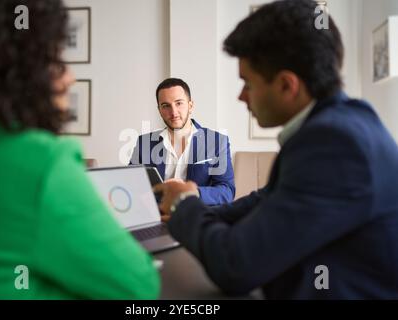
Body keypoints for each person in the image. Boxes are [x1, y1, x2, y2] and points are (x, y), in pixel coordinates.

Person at [154, 0, 398, 299]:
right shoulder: (347, 120)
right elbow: (268, 199)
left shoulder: (334, 144)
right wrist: (196, 205)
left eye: (247, 83)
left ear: (286, 85)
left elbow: (235, 265)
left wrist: (185, 205)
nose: (241, 96)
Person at [0, 0, 159, 299]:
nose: (69, 77)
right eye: (56, 60)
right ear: (20, 72)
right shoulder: (42, 163)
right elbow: (139, 286)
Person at [129, 78, 235, 205]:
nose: (173, 112)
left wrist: (190, 192)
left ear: (190, 106)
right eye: (166, 106)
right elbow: (131, 186)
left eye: (179, 103)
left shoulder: (217, 142)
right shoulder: (144, 143)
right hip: (157, 216)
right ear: (159, 110)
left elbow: (227, 191)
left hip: (197, 217)